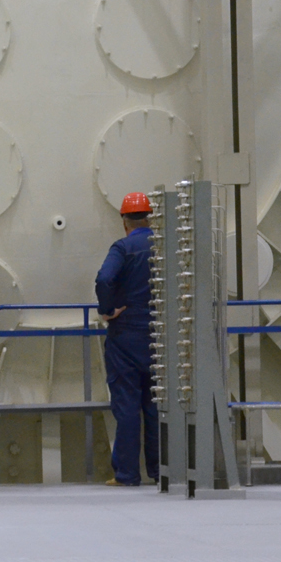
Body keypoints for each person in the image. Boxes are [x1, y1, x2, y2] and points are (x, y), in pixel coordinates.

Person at [95, 192, 158, 486]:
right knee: (157, 406)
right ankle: (162, 471)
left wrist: (109, 310)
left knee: (127, 407)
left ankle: (127, 474)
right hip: (160, 336)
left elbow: (104, 279)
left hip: (126, 338)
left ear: (124, 221)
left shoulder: (123, 248)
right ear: (150, 218)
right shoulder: (164, 248)